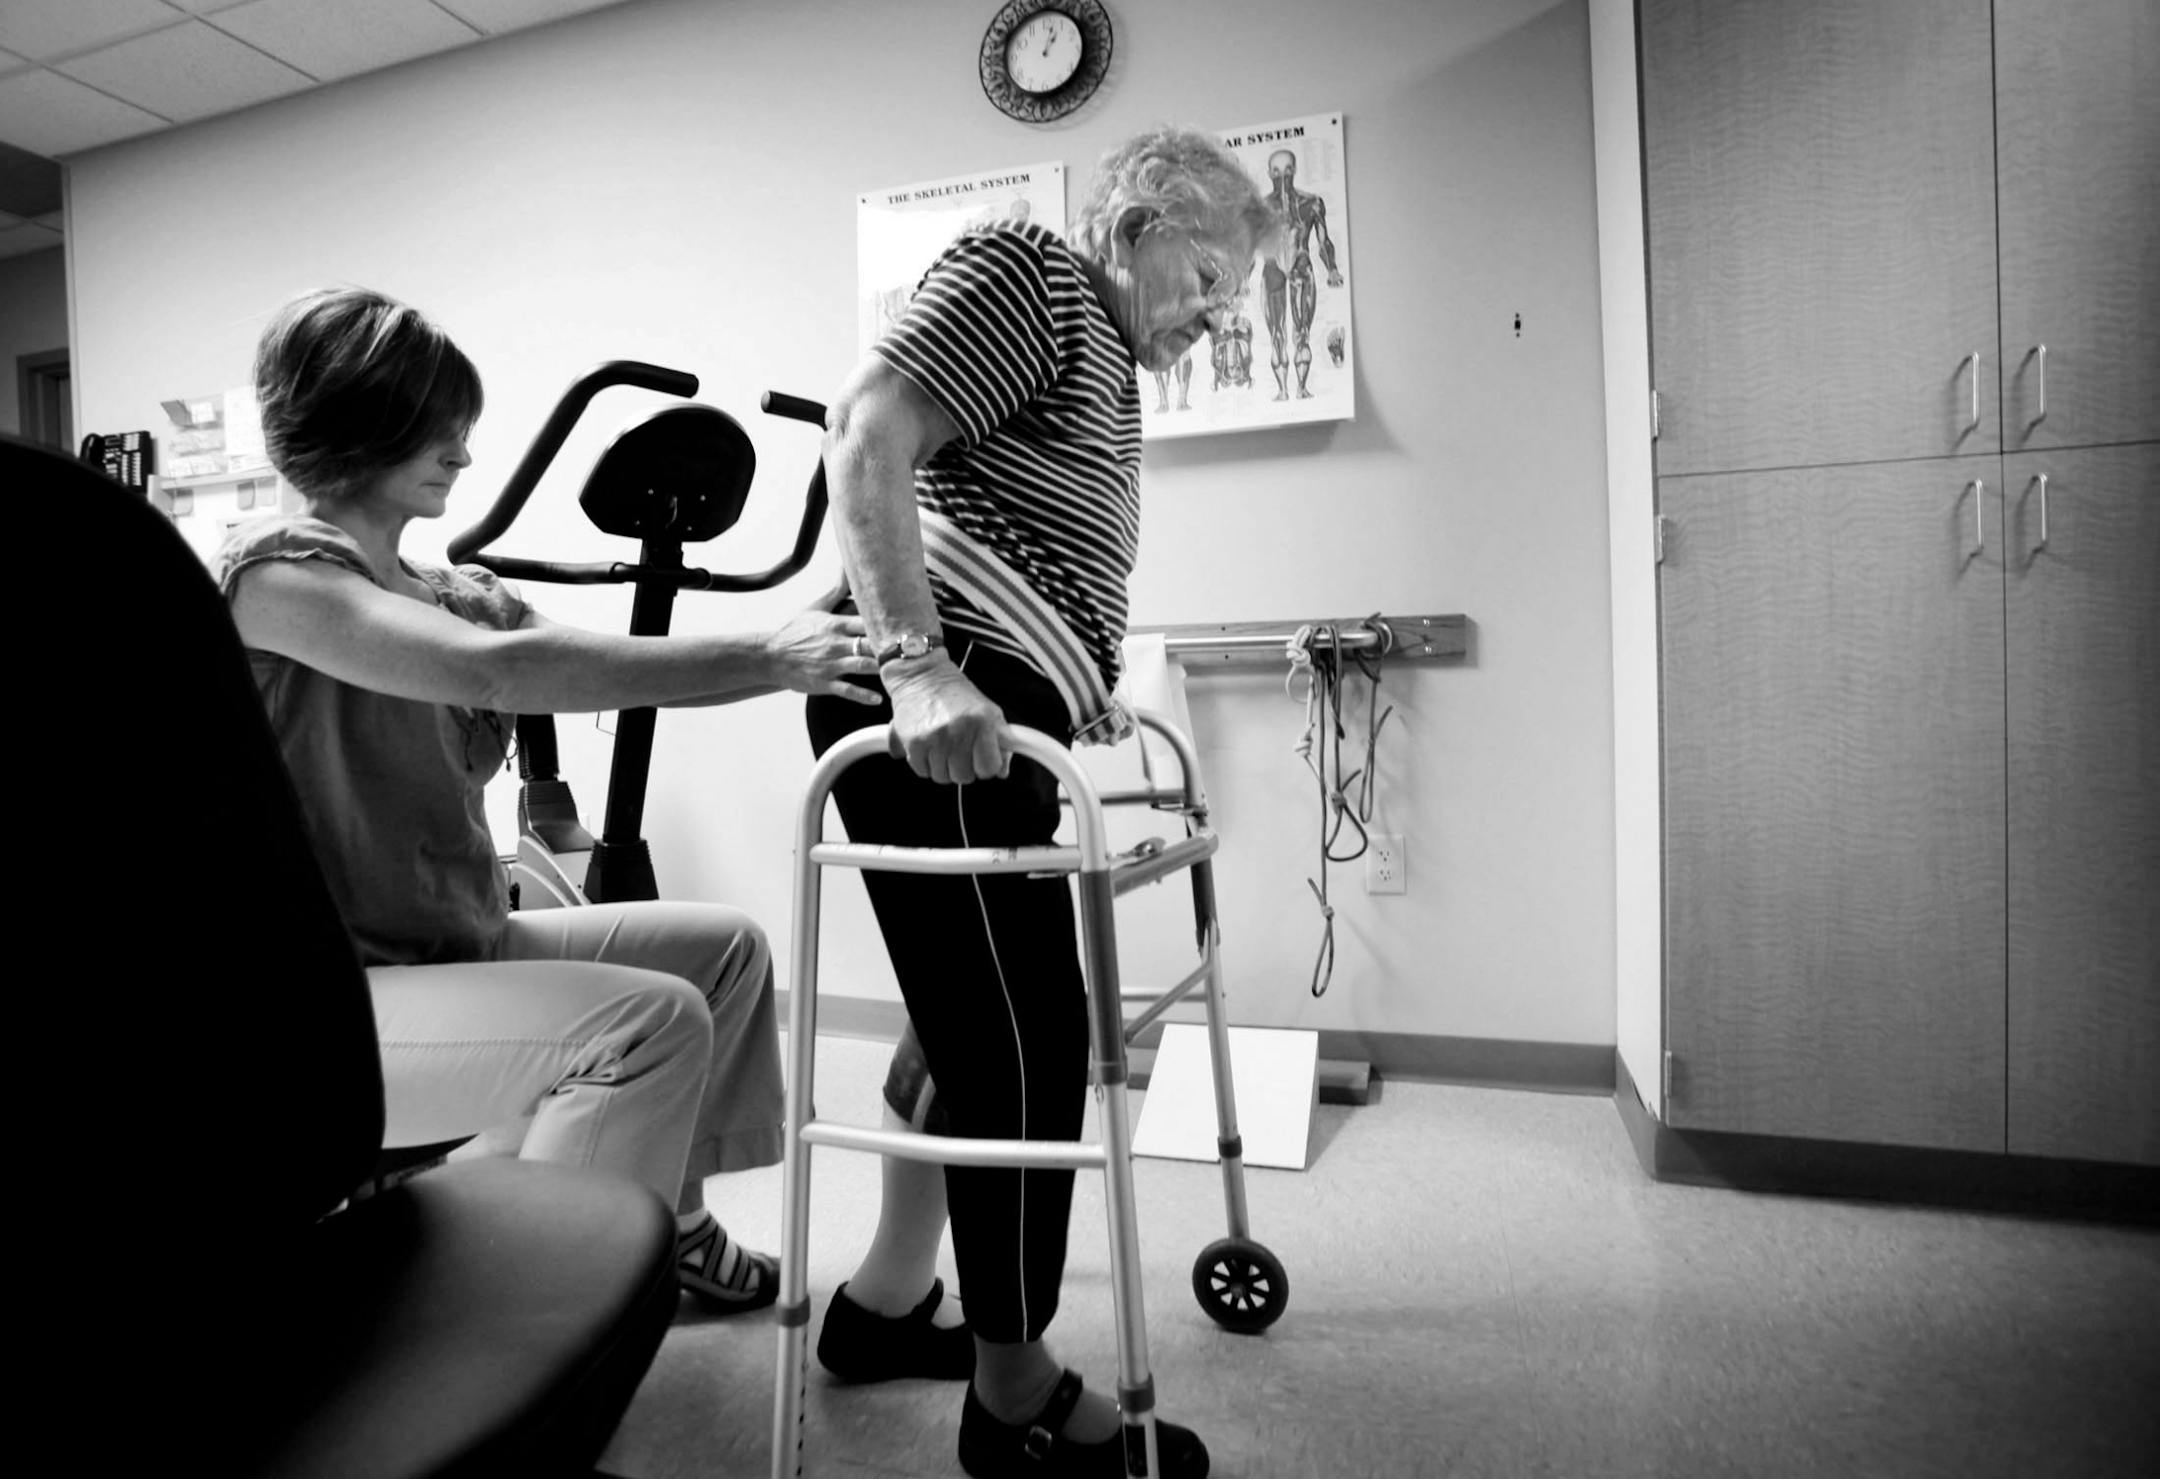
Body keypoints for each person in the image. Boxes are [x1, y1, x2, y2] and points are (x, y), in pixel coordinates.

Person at [213, 286, 883, 1315]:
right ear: (362, 418)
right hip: (330, 1006)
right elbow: (502, 672)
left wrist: (846, 608)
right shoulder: (280, 580)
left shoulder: (440, 588)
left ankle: (677, 1226)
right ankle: (534, 1322)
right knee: (644, 1026)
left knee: (724, 952)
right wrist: (767, 655)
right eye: (442, 427)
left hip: (449, 950)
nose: (465, 454)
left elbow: (589, 660)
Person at [807, 126, 1275, 1479]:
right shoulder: (1035, 272)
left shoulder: (1099, 361)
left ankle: (885, 1304)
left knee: (967, 1030)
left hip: (994, 712)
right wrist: (919, 662)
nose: (1212, 319)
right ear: (1137, 223)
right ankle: (1010, 1391)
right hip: (930, 714)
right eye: (1205, 281)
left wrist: (1072, 674)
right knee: (1024, 1039)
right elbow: (868, 433)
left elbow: (1005, 527)